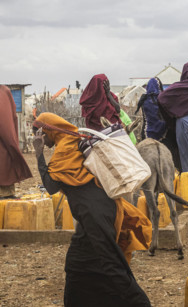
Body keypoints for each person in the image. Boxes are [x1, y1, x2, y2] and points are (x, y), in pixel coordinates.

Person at [32, 112, 151, 306]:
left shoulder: (64, 150)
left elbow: (52, 187)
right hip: (97, 212)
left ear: (47, 131)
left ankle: (140, 303)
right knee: (79, 263)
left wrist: (39, 155)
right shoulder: (74, 140)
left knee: (112, 263)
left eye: (39, 135)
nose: (40, 141)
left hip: (96, 214)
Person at [0, 85, 32, 198]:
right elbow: (8, 131)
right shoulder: (4, 110)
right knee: (4, 167)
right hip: (4, 147)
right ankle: (6, 193)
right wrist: (13, 146)